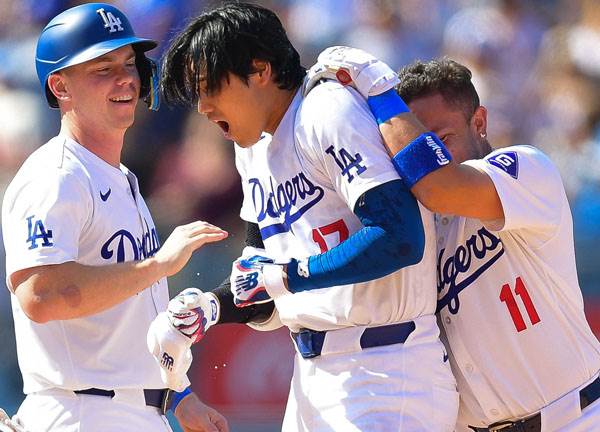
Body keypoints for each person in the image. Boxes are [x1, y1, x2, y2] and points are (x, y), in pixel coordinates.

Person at [148, 2, 459, 432]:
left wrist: (288, 276)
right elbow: (260, 278)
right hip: (313, 377)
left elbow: (400, 236)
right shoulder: (251, 147)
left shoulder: (325, 109)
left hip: (387, 369)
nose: (201, 107)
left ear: (260, 70)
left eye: (208, 87)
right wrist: (210, 307)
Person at [308, 49, 600, 431]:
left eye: (442, 139)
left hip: (576, 418)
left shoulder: (526, 169)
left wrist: (377, 88)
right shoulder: (416, 231)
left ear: (479, 122)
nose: (433, 155)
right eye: (416, 145)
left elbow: (441, 186)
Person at [1, 4, 229, 432]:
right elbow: (40, 296)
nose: (125, 78)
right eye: (102, 68)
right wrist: (158, 265)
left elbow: (127, 318)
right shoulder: (56, 176)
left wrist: (177, 396)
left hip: (132, 408)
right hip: (83, 411)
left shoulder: (118, 176)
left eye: (129, 64)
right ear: (60, 86)